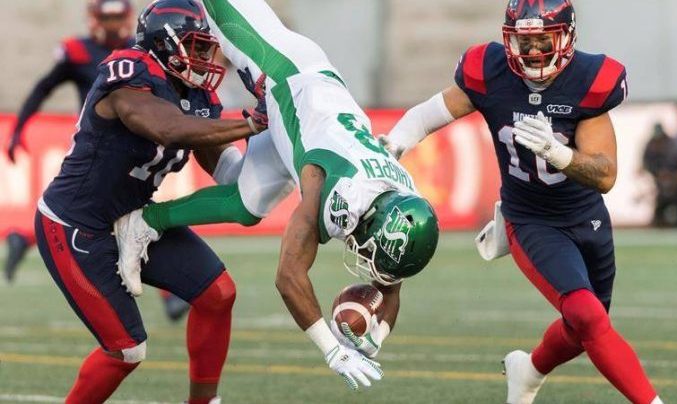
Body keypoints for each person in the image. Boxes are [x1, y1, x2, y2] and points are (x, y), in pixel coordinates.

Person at [112, 0, 440, 391]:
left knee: (247, 205)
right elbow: (288, 276)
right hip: (289, 75)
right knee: (220, 13)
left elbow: (391, 280)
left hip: (312, 114)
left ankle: (144, 222)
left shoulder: (401, 201)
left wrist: (374, 337)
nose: (365, 259)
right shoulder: (338, 193)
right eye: (371, 251)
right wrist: (332, 350)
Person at [380, 1, 663, 403]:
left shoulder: (588, 79)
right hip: (530, 220)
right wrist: (395, 142)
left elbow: (605, 175)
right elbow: (430, 114)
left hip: (587, 218)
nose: (532, 52)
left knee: (585, 327)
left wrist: (557, 153)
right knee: (586, 316)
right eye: (523, 42)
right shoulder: (491, 71)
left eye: (543, 40)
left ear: (565, 37)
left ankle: (527, 371)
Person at [34, 1, 264, 402]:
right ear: (165, 42)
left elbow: (228, 170)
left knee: (218, 294)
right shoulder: (129, 72)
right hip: (75, 225)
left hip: (134, 219)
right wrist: (249, 123)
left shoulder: (196, 95)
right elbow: (167, 128)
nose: (204, 57)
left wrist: (275, 162)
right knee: (126, 350)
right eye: (195, 45)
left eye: (206, 47)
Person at [4, 0, 134, 279]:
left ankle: (24, 238)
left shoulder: (140, 49)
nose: (113, 25)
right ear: (95, 19)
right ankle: (169, 294)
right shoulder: (79, 52)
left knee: (116, 216)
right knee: (127, 214)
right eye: (107, 18)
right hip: (96, 148)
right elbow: (43, 88)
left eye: (117, 18)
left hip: (133, 145)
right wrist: (17, 130)